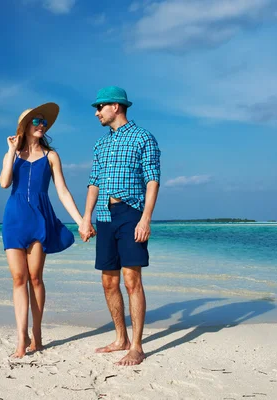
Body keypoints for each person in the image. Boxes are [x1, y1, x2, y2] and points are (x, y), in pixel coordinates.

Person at [79, 86, 161, 366]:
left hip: (131, 213)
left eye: (100, 107)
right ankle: (120, 339)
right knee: (108, 281)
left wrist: (145, 218)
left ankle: (136, 346)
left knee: (131, 280)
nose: (96, 112)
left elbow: (152, 180)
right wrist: (86, 218)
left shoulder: (143, 138)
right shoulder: (100, 144)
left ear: (116, 106)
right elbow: (94, 183)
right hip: (104, 215)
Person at [0, 102, 86, 358]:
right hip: (14, 219)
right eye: (35, 121)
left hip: (40, 218)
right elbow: (4, 183)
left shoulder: (51, 156)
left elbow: (62, 191)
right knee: (18, 279)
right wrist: (11, 151)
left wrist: (80, 220)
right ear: (24, 127)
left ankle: (36, 334)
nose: (40, 125)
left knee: (35, 278)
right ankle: (20, 339)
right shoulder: (11, 155)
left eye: (43, 122)